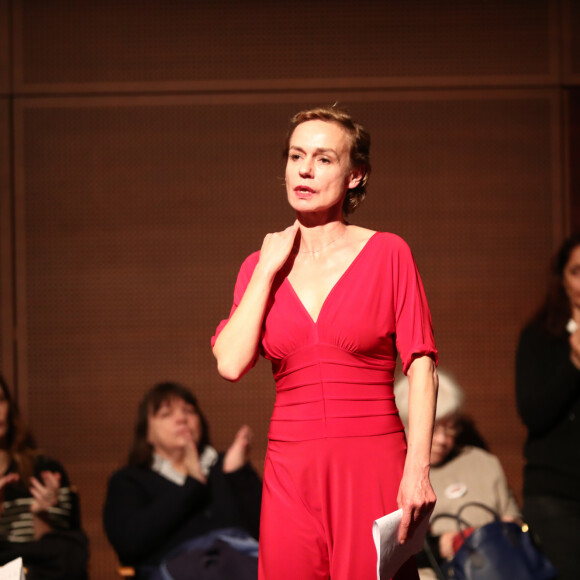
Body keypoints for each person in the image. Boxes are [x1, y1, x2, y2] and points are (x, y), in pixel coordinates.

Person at [212, 105, 439, 580]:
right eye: (296, 156)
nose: (306, 169)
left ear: (355, 176)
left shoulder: (387, 252)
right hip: (291, 469)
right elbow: (231, 364)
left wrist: (417, 470)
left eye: (323, 158)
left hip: (372, 462)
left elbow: (421, 364)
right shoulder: (261, 265)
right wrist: (267, 269)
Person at [103, 382, 262, 580]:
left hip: (244, 560)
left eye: (189, 411)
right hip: (177, 567)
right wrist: (192, 484)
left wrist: (238, 473)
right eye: (166, 414)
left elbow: (271, 533)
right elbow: (129, 545)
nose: (181, 419)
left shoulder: (226, 466)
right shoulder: (129, 480)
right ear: (147, 434)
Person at [395, 371, 521, 579]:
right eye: (433, 429)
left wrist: (498, 535)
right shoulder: (395, 471)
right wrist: (441, 546)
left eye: (450, 428)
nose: (443, 440)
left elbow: (514, 521)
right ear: (407, 425)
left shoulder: (482, 463)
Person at [516, 233, 580, 580]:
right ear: (562, 280)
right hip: (557, 498)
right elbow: (533, 414)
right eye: (577, 271)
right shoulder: (541, 337)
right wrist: (574, 363)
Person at [0, 374, 88, 579]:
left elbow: (62, 555)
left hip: (37, 567)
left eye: (1, 400)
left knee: (69, 552)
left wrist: (40, 513)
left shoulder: (43, 469)